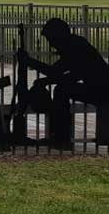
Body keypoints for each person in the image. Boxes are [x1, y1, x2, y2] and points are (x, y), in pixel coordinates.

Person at [17, 18, 109, 147]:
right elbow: (71, 74)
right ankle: (60, 136)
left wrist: (29, 61)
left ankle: (61, 138)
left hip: (102, 90)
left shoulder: (74, 47)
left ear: (58, 36)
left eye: (51, 40)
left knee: (61, 90)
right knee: (62, 89)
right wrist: (46, 80)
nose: (51, 45)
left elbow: (56, 72)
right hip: (99, 88)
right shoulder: (75, 44)